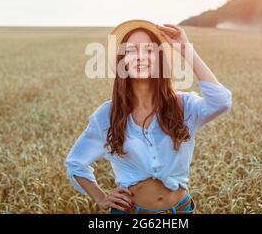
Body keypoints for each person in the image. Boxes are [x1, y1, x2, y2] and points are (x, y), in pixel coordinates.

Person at [65, 19, 232, 214]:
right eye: (131, 51)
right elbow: (75, 163)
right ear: (122, 61)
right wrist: (101, 198)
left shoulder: (184, 106)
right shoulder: (107, 116)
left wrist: (186, 49)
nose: (140, 57)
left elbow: (221, 102)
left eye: (149, 50)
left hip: (181, 211)